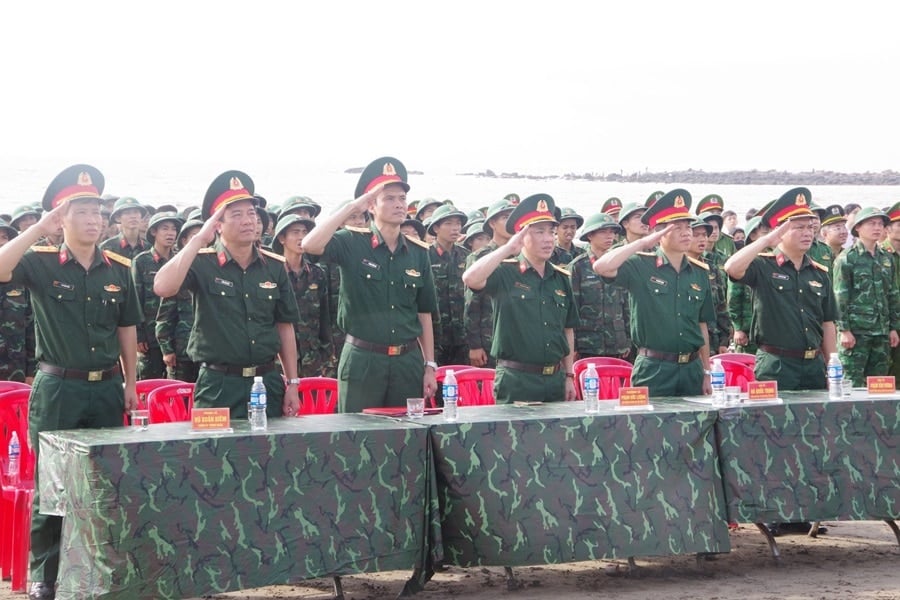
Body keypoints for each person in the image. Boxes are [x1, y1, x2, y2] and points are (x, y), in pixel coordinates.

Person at [0, 165, 141, 600]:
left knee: (107, 483)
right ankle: (46, 573)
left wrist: (132, 382)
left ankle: (102, 570)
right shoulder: (39, 263)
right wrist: (38, 229)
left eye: (99, 211)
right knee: (54, 484)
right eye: (82, 211)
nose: (94, 220)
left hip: (106, 386)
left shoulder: (118, 268)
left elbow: (127, 328)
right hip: (58, 387)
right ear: (62, 218)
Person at [153, 170, 301, 418]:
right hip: (218, 385)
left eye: (251, 213)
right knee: (213, 454)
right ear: (218, 224)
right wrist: (199, 239)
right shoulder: (202, 263)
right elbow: (163, 287)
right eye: (236, 214)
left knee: (269, 453)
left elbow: (284, 326)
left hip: (266, 382)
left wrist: (293, 384)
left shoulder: (274, 266)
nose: (247, 221)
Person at [301, 157, 438, 412]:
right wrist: (353, 206)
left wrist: (429, 364)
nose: (398, 204)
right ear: (371, 206)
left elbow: (424, 313)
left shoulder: (419, 252)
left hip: (407, 361)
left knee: (406, 439)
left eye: (401, 198)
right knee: (355, 439)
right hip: (363, 360)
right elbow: (309, 245)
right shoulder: (351, 241)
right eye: (389, 198)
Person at [594, 189, 715, 397]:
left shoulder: (699, 272)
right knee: (649, 428)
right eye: (677, 228)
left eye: (688, 227)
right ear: (659, 233)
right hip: (654, 369)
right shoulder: (640, 265)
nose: (686, 232)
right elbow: (601, 267)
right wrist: (642, 242)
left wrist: (706, 372)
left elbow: (702, 325)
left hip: (692, 369)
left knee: (696, 428)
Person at [463, 193, 578, 403]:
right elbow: (470, 278)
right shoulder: (506, 272)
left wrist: (569, 374)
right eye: (539, 232)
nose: (548, 238)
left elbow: (567, 329)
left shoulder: (560, 278)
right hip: (517, 380)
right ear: (521, 236)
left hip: (555, 379)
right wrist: (508, 248)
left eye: (551, 232)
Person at [724, 187, 838, 390]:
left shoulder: (818, 272)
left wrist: (832, 366)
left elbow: (827, 323)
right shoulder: (762, 265)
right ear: (781, 231)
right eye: (798, 227)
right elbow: (731, 268)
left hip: (814, 365)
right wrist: (766, 240)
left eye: (810, 227)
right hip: (776, 364)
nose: (807, 233)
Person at [831, 207, 900, 385]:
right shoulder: (847, 259)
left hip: (881, 332)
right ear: (858, 228)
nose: (877, 228)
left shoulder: (886, 258)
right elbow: (840, 297)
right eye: (871, 223)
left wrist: (893, 327)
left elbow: (892, 294)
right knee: (852, 384)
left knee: (880, 383)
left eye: (880, 224)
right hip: (856, 333)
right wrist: (844, 330)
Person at [272, 213, 333, 377]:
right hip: (279, 361)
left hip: (312, 359)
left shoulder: (316, 274)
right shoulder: (272, 273)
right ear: (281, 238)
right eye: (295, 232)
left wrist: (325, 356)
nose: (301, 237)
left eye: (305, 232)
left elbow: (325, 320)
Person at [568, 213, 630, 360]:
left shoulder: (621, 264)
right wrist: (574, 346)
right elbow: (572, 310)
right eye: (603, 232)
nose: (609, 236)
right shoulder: (578, 266)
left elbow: (627, 306)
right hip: (587, 346)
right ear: (590, 235)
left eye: (612, 232)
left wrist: (628, 339)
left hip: (618, 345)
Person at [464, 197, 516, 368]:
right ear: (492, 223)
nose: (510, 222)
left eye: (513, 217)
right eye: (505, 217)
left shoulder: (524, 256)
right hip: (489, 340)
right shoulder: (480, 257)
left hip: (518, 341)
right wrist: (475, 345)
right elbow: (471, 304)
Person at [132, 211, 184, 379]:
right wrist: (138, 336)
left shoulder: (180, 260)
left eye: (174, 229)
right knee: (149, 384)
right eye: (165, 229)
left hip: (176, 336)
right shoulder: (141, 261)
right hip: (149, 337)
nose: (170, 233)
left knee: (175, 388)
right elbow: (135, 300)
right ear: (153, 232)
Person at [155, 218, 203, 382]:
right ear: (184, 241)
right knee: (178, 398)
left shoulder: (214, 272)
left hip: (207, 354)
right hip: (182, 351)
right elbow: (164, 316)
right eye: (195, 237)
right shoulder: (178, 273)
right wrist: (166, 349)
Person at [424, 204, 470, 366]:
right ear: (436, 228)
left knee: (462, 383)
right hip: (435, 337)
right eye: (449, 224)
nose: (455, 228)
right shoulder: (424, 256)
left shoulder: (466, 256)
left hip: (462, 337)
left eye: (458, 223)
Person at [727, 216, 769, 354]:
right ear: (752, 235)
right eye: (764, 233)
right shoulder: (744, 261)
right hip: (747, 331)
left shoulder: (773, 261)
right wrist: (738, 328)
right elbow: (733, 298)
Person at [0, 220, 34, 383]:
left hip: (16, 372)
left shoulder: (21, 281)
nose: (1, 241)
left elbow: (32, 328)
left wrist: (31, 371)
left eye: (4, 237)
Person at [819, 204, 848, 272]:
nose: (843, 232)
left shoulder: (848, 254)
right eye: (838, 228)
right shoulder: (818, 255)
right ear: (824, 233)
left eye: (844, 227)